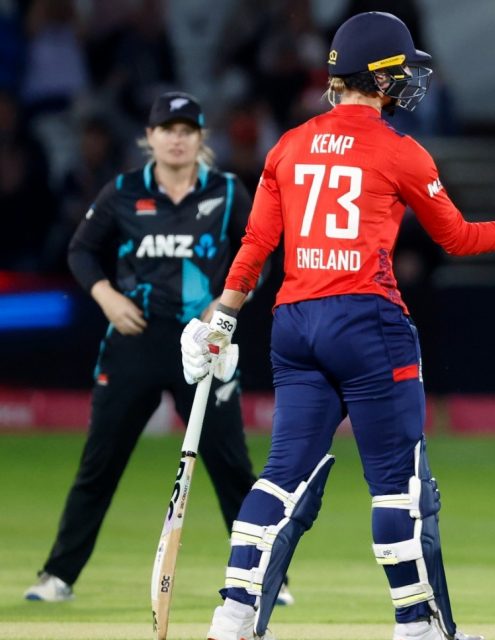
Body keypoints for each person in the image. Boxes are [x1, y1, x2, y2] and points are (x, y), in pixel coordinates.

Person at [179, 11, 495, 640]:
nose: (409, 81)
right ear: (379, 76)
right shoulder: (400, 148)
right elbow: (456, 238)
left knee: (281, 474)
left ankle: (233, 612)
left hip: (294, 321)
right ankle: (415, 627)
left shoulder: (288, 144)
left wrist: (220, 317)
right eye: (400, 70)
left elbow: (257, 244)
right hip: (367, 321)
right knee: (398, 483)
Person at [23, 91, 297, 607]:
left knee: (231, 464)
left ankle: (265, 576)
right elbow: (80, 249)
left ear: (200, 139)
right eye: (166, 129)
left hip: (205, 344)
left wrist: (226, 305)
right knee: (100, 463)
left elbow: (262, 253)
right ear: (149, 138)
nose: (176, 137)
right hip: (135, 340)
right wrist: (106, 298)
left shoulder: (227, 191)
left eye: (186, 129)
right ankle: (57, 575)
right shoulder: (124, 191)